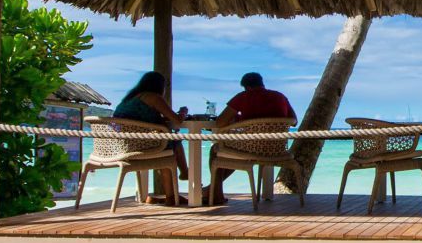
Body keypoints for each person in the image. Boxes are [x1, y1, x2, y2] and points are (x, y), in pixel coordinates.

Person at [207, 72, 297, 202]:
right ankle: (212, 189)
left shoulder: (243, 96)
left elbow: (220, 122)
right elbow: (294, 120)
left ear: (246, 87)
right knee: (232, 153)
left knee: (218, 150)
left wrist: (238, 119)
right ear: (262, 83)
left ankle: (216, 194)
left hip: (252, 147)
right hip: (276, 148)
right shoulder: (280, 96)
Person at [113, 71, 190, 205]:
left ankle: (171, 194)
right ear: (159, 86)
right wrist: (183, 111)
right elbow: (177, 121)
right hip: (142, 146)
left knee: (169, 143)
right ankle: (183, 175)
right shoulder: (153, 97)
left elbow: (141, 120)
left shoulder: (130, 99)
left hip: (123, 145)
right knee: (174, 143)